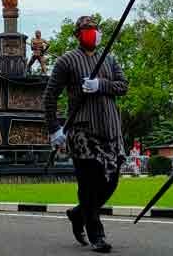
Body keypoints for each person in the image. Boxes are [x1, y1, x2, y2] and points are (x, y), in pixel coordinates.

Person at [43, 16, 127, 254]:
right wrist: (54, 128)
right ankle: (96, 234)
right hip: (82, 132)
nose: (92, 33)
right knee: (89, 185)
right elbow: (50, 96)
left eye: (95, 29)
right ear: (78, 35)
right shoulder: (66, 61)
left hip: (111, 130)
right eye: (87, 29)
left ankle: (78, 214)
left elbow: (123, 86)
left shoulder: (109, 59)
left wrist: (101, 85)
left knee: (110, 182)